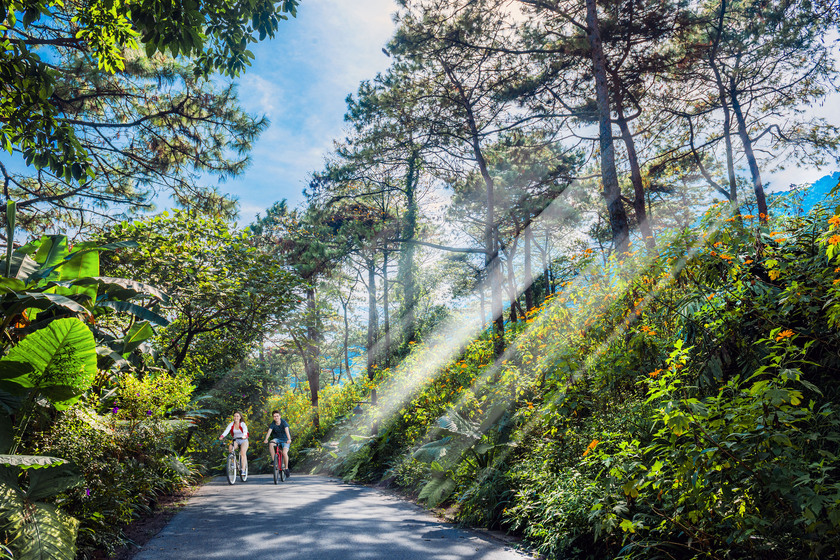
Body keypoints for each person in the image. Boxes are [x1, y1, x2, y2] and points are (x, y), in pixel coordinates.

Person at [219, 411, 249, 480]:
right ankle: (232, 462)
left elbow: (245, 431)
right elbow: (226, 431)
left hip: (243, 440)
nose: (236, 417)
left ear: (240, 417)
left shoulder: (242, 424)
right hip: (236, 440)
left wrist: (244, 436)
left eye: (237, 416)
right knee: (230, 448)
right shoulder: (231, 424)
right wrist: (222, 436)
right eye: (235, 416)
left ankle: (243, 470)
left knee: (242, 453)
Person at [263, 410, 291, 477]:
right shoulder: (273, 423)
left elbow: (287, 432)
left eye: (277, 416)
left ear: (280, 416)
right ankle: (274, 461)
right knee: (271, 443)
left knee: (284, 453)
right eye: (274, 416)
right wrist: (266, 439)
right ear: (273, 417)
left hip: (285, 440)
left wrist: (289, 439)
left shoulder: (284, 422)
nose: (276, 418)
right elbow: (269, 432)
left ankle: (286, 468)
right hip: (277, 439)